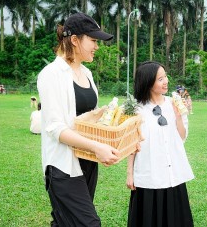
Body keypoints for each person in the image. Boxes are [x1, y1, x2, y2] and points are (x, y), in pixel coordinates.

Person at [37, 12, 120, 226]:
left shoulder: (87, 74)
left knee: (65, 222)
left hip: (88, 161)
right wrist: (96, 146)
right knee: (89, 223)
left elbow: (82, 120)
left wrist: (105, 118)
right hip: (63, 166)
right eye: (93, 40)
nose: (97, 46)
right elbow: (56, 128)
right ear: (74, 40)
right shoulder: (51, 74)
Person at [126, 61, 195, 227]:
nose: (166, 82)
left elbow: (182, 137)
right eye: (160, 79)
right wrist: (130, 173)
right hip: (148, 174)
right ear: (148, 82)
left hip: (173, 175)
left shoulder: (174, 104)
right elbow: (131, 143)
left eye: (165, 77)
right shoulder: (136, 109)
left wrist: (178, 115)